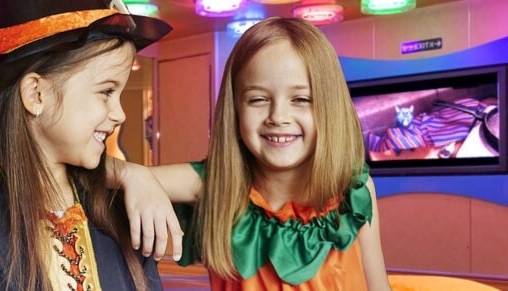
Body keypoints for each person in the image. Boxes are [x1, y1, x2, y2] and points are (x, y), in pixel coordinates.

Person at [0, 0, 176, 290]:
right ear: (36, 94)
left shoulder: (124, 211)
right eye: (106, 91)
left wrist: (135, 174)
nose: (120, 114)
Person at [143, 17, 392, 290]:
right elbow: (102, 177)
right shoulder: (212, 184)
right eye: (258, 99)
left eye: (301, 99)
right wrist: (131, 176)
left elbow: (377, 285)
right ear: (235, 110)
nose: (278, 117)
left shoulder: (353, 189)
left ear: (328, 106)